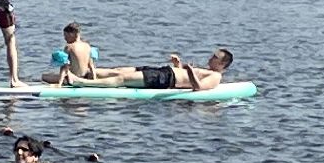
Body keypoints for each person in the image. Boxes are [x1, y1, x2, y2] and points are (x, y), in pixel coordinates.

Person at [66, 48, 233, 92]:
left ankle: (80, 82)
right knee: (119, 71)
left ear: (223, 64)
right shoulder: (208, 69)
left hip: (165, 80)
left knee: (122, 79)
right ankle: (83, 73)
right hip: (165, 72)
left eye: (215, 57)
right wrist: (179, 64)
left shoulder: (215, 76)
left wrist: (188, 70)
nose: (211, 58)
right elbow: (186, 76)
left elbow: (198, 87)